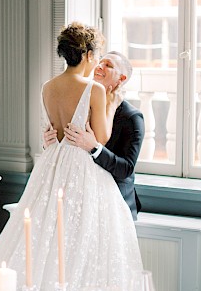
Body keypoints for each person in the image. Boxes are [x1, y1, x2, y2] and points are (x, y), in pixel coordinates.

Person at [0, 22, 146, 291]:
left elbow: (53, 131)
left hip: (51, 165)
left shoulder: (47, 87)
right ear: (88, 54)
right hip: (82, 170)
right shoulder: (95, 90)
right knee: (79, 244)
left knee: (44, 239)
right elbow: (100, 139)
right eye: (97, 55)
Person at [43, 51, 144, 220]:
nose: (100, 66)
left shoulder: (132, 117)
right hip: (80, 199)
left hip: (115, 206)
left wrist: (95, 148)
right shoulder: (81, 105)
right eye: (100, 62)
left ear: (121, 79)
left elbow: (126, 169)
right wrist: (50, 143)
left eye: (108, 65)